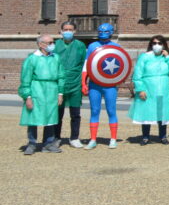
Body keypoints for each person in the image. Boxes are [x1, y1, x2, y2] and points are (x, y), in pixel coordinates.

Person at [81, 22, 125, 149]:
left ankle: (113, 139)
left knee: (111, 111)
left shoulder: (116, 46)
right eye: (101, 31)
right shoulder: (92, 46)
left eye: (106, 31)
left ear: (111, 32)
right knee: (94, 111)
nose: (103, 33)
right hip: (95, 84)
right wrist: (83, 82)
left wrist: (119, 78)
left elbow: (122, 64)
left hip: (110, 85)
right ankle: (93, 139)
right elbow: (87, 65)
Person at [129, 35, 169, 145]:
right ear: (151, 45)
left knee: (162, 114)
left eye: (159, 43)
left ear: (164, 45)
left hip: (162, 90)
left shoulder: (166, 58)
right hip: (148, 89)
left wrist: (168, 58)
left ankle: (162, 136)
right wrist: (140, 89)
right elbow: (137, 75)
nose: (157, 45)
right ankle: (145, 137)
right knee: (146, 112)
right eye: (154, 43)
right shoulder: (144, 57)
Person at [19, 35, 63, 155]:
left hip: (52, 90)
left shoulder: (56, 58)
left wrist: (60, 93)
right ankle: (32, 143)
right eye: (49, 42)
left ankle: (48, 143)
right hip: (36, 89)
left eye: (53, 42)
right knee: (33, 117)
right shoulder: (32, 59)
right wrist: (27, 96)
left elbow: (61, 75)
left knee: (50, 117)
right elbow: (25, 78)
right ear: (40, 44)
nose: (52, 44)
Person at [53, 20, 86, 148]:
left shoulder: (80, 45)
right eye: (65, 29)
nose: (67, 32)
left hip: (75, 83)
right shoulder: (55, 45)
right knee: (57, 113)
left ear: (74, 31)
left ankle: (74, 137)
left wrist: (82, 82)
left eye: (70, 30)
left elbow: (83, 63)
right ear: (61, 31)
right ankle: (56, 137)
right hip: (59, 84)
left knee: (75, 113)